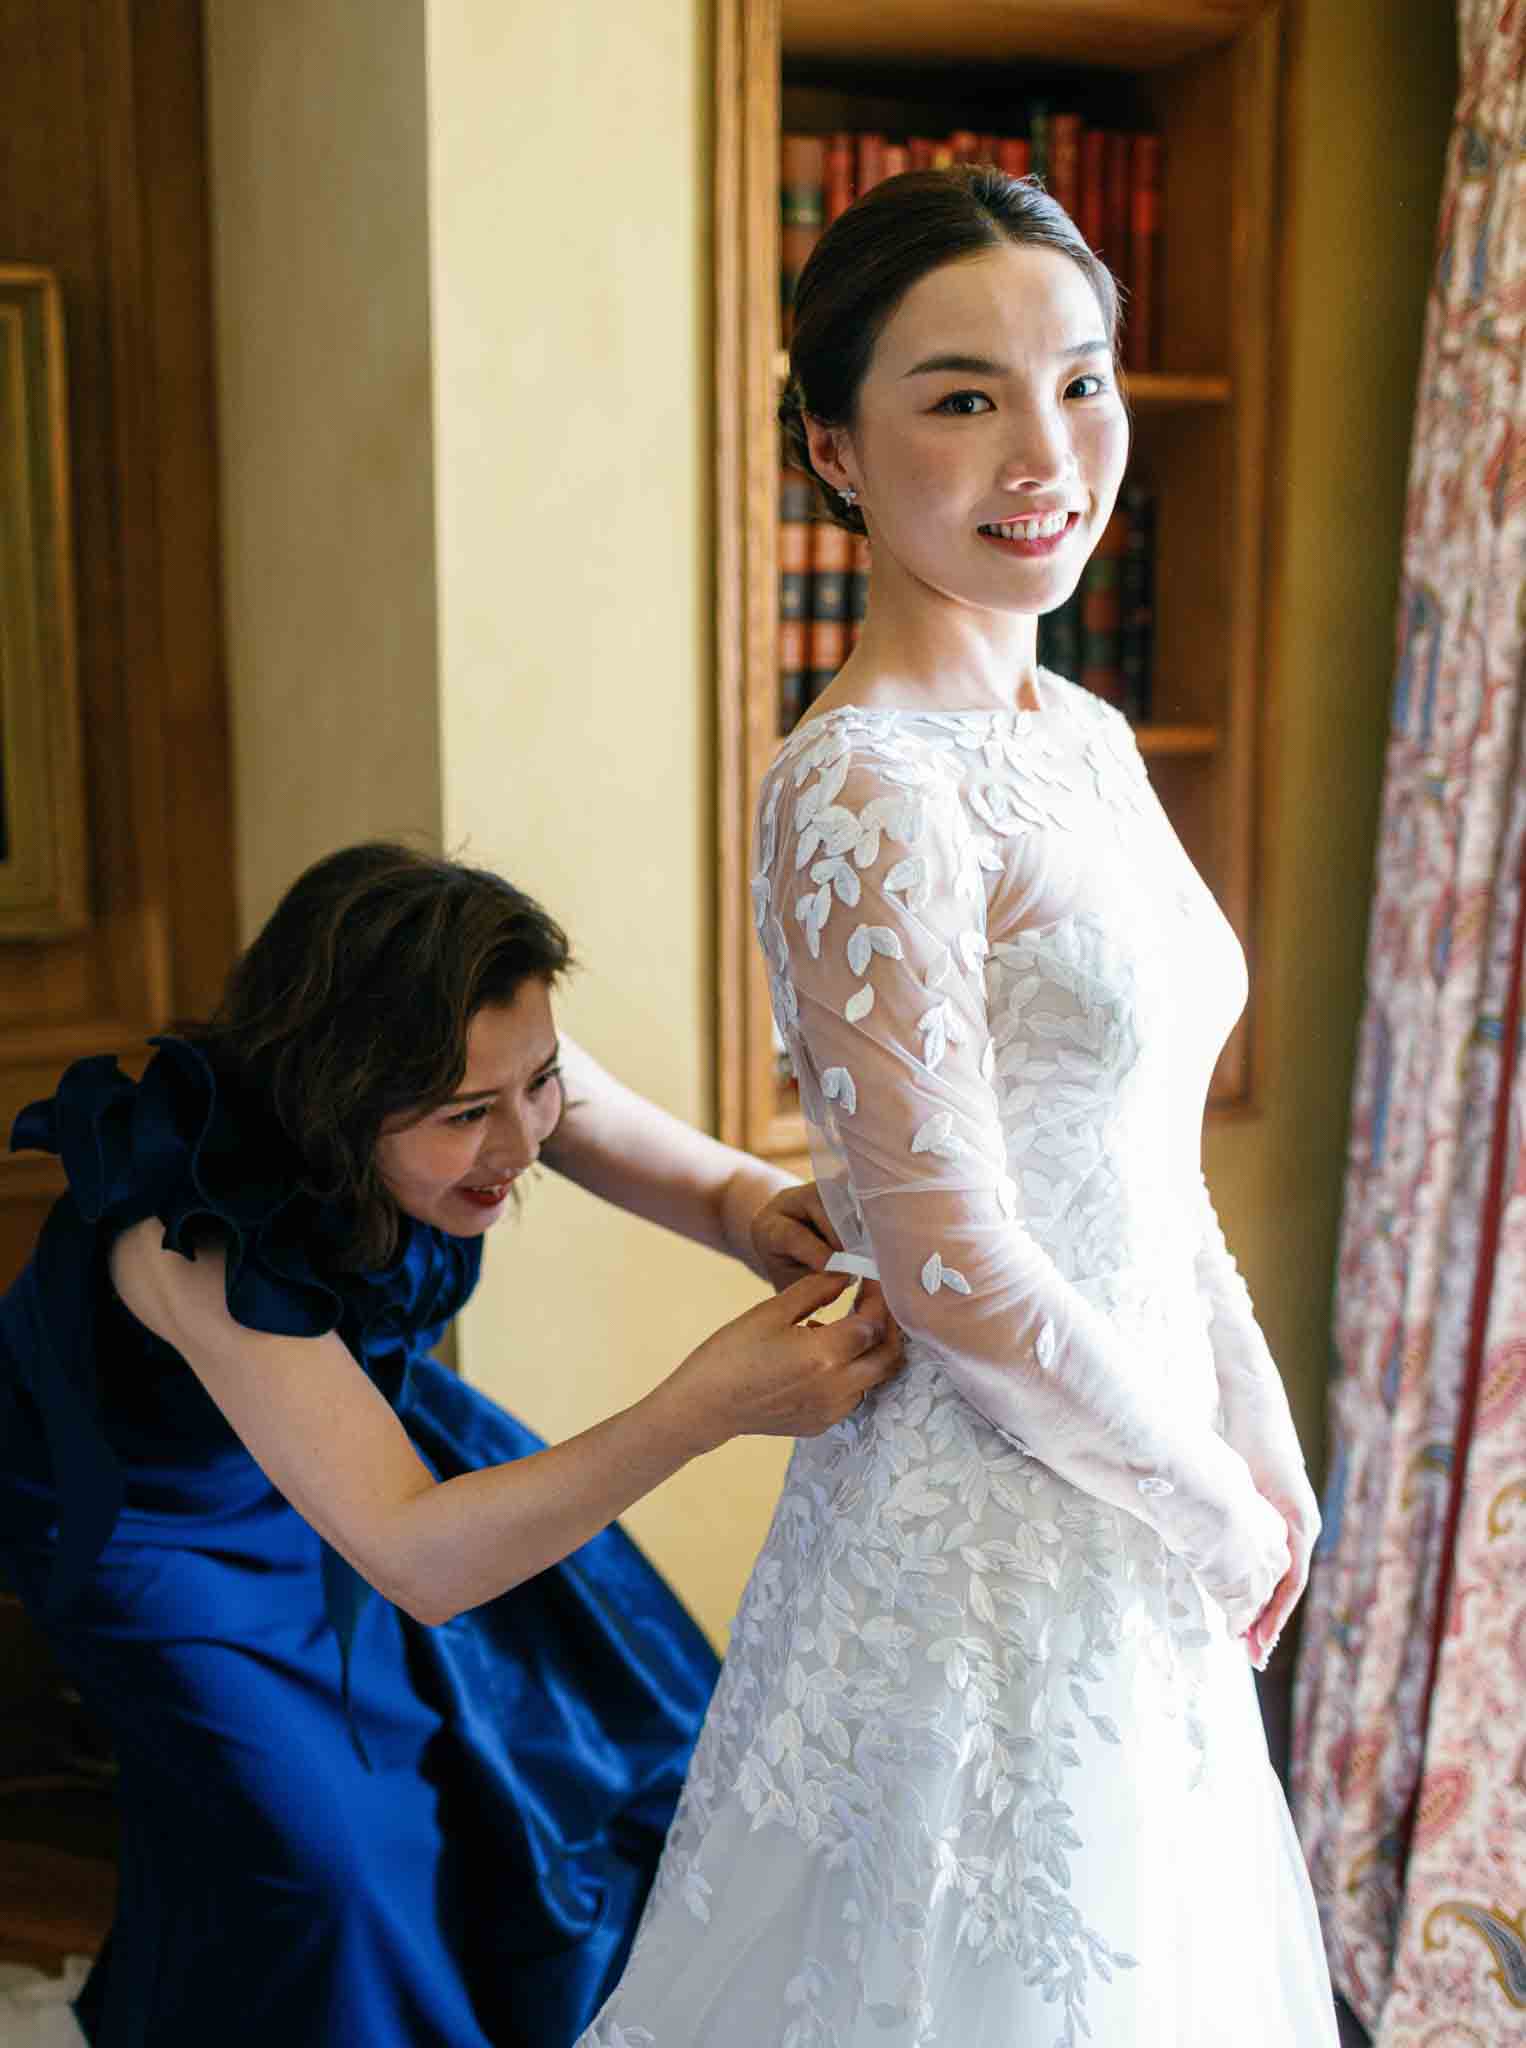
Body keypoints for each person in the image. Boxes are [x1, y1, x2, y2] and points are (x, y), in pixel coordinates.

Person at [580, 168, 1338, 2046]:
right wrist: (1206, 1498)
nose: (1045, 449)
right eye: (960, 394)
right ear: (833, 446)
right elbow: (952, 1261)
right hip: (984, 1527)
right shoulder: (860, 787)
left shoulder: (1074, 735)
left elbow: (1149, 1161)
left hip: (1135, 1495)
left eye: (1079, 382)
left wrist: (1259, 1440)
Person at [0, 841, 903, 2048]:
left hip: (360, 1435)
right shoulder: (192, 1238)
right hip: (158, 1516)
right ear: (334, 1095)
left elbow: (695, 1178)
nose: (520, 1141)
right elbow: (420, 1560)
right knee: (333, 1866)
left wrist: (758, 1211)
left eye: (536, 1084)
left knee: (622, 1741)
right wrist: (707, 1405)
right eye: (464, 1116)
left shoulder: (486, 1071)